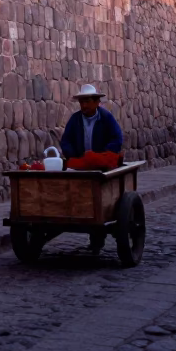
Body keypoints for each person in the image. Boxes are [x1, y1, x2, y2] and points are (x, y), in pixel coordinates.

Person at [60, 84, 124, 252]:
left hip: (100, 167)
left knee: (97, 198)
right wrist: (73, 156)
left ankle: (97, 236)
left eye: (87, 101)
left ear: (97, 102)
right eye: (82, 102)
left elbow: (117, 138)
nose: (84, 105)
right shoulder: (75, 120)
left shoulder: (106, 118)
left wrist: (103, 156)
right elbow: (65, 141)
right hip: (81, 165)